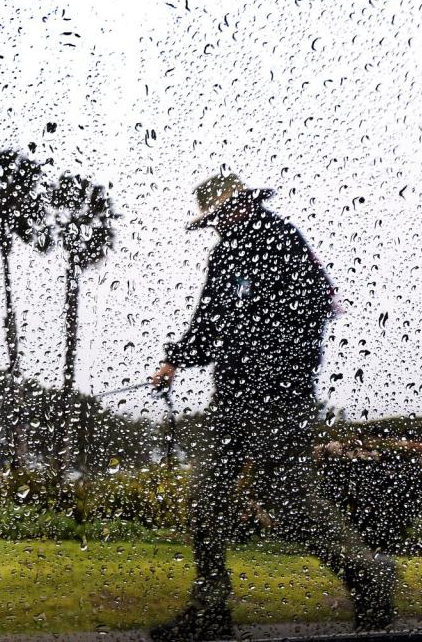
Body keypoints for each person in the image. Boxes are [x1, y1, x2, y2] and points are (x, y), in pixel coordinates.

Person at [149, 173, 396, 641]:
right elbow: (208, 325)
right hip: (231, 396)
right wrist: (174, 360)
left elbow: (317, 308)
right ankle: (211, 608)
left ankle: (369, 575)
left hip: (281, 397)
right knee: (206, 499)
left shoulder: (283, 240)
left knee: (287, 499)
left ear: (242, 204)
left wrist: (272, 362)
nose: (219, 224)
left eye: (223, 213)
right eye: (213, 219)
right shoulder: (223, 255)